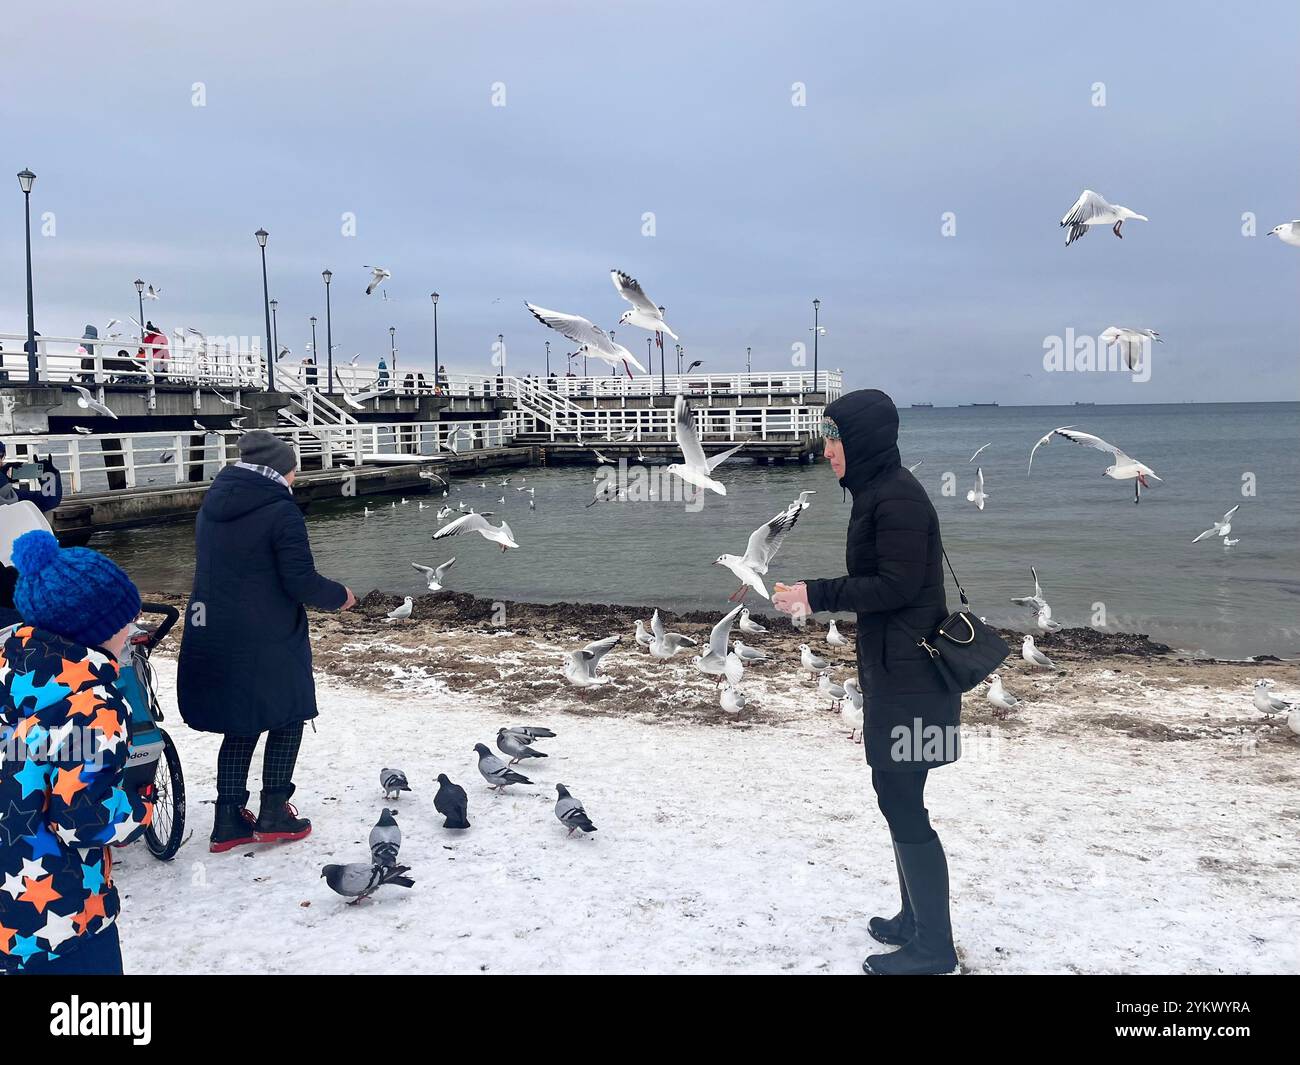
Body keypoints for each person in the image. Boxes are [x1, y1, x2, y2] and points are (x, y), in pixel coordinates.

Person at [774, 389, 960, 976]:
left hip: (915, 679)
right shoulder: (879, 491)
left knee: (904, 800)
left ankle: (935, 949)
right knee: (896, 796)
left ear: (862, 440)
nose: (826, 450)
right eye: (826, 437)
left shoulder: (896, 497)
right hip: (896, 672)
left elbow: (897, 587)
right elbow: (889, 586)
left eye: (833, 438)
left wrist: (816, 593)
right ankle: (915, 922)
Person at [177, 431, 355, 853]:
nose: (296, 476)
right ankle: (275, 812)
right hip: (267, 634)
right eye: (294, 468)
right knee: (287, 715)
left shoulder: (212, 506)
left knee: (241, 723)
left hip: (214, 630)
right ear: (280, 469)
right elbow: (299, 581)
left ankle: (228, 821)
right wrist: (341, 596)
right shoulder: (280, 510)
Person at [0, 529, 154, 974]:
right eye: (124, 621)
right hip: (58, 916)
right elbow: (84, 818)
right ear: (95, 631)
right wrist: (138, 811)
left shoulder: (11, 666)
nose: (130, 629)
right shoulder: (89, 707)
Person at [0, 441, 63, 513]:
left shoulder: (9, 493)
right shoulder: (11, 495)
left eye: (2, 457)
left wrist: (3, 477)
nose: (2, 463)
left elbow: (46, 501)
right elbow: (47, 502)